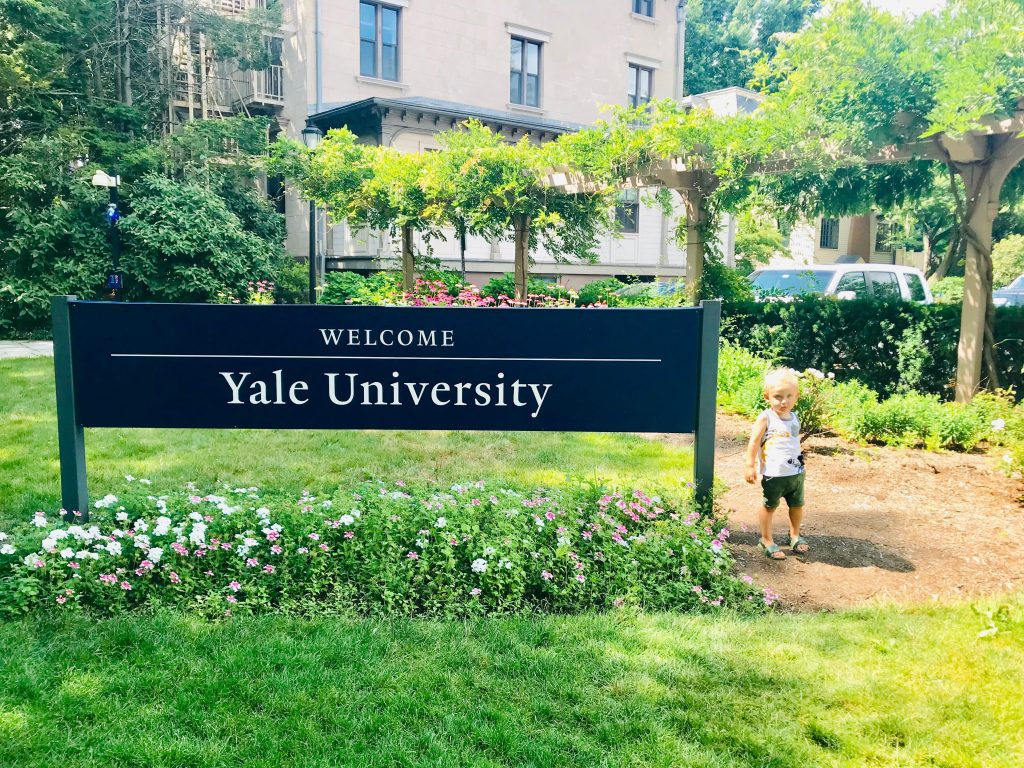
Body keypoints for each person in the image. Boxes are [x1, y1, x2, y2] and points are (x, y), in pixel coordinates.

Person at [744, 368, 809, 560]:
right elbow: (754, 442)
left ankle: (795, 535)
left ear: (796, 397)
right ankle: (766, 539)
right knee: (769, 505)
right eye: (778, 396)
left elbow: (792, 442)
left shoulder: (795, 417)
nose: (784, 401)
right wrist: (750, 465)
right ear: (767, 397)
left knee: (797, 504)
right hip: (774, 474)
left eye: (789, 396)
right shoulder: (767, 417)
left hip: (796, 473)